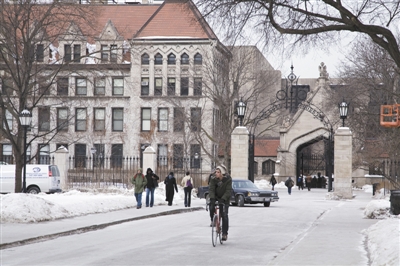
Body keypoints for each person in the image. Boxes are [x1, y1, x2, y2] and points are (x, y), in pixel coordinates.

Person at [209, 165, 232, 241]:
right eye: (216, 172)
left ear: (222, 173)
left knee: (224, 215)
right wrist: (212, 198)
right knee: (211, 206)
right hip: (216, 197)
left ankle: (225, 233)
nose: (216, 173)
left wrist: (223, 199)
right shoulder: (213, 179)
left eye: (218, 172)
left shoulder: (228, 179)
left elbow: (228, 191)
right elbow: (211, 189)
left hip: (225, 199)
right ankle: (213, 219)